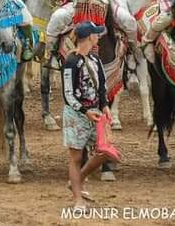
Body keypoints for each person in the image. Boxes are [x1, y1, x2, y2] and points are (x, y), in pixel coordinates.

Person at [62, 21, 111, 210]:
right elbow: (68, 94)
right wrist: (85, 111)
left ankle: (77, 179)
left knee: (104, 151)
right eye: (96, 34)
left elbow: (102, 85)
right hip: (77, 115)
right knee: (75, 157)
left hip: (95, 113)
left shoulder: (95, 59)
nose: (98, 37)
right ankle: (77, 199)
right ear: (90, 37)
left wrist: (105, 105)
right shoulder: (71, 62)